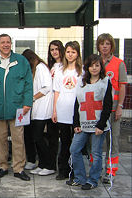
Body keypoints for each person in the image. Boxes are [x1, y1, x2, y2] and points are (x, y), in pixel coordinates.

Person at [0, 34, 32, 181]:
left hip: (18, 108)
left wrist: (27, 102)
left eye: (8, 42)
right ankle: (3, 166)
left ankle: (18, 168)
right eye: (2, 42)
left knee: (18, 139)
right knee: (0, 139)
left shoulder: (21, 61)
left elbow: (29, 83)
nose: (5, 45)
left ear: (11, 44)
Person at [68, 54, 112, 190]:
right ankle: (80, 178)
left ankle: (92, 180)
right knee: (74, 149)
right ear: (87, 67)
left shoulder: (105, 82)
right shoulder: (81, 82)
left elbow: (108, 105)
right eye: (91, 65)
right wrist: (76, 124)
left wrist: (101, 124)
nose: (94, 68)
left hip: (98, 126)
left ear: (101, 67)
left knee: (96, 153)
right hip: (83, 124)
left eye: (97, 65)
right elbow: (77, 104)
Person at [96, 33, 128, 183]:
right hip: (97, 109)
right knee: (95, 140)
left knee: (112, 140)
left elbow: (122, 87)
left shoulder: (118, 63)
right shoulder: (95, 62)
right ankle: (95, 168)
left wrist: (120, 106)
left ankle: (110, 171)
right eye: (102, 43)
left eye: (107, 44)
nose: (104, 46)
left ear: (111, 46)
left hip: (114, 108)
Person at [52, 41, 83, 180]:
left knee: (76, 144)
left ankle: (75, 171)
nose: (70, 55)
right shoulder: (59, 71)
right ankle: (63, 170)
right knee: (64, 142)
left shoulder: (82, 71)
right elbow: (56, 92)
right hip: (63, 110)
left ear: (77, 54)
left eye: (73, 52)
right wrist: (54, 111)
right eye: (68, 52)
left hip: (77, 112)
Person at [21, 49, 55, 176]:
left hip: (42, 108)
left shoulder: (40, 67)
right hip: (36, 108)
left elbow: (46, 88)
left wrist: (33, 98)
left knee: (38, 137)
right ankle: (42, 164)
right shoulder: (35, 68)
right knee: (36, 137)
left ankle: (49, 165)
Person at [46, 40, 65, 174]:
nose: (54, 52)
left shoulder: (65, 66)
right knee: (52, 138)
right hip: (50, 106)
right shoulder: (50, 66)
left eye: (57, 49)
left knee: (64, 139)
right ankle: (51, 166)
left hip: (62, 106)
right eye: (52, 49)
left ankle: (64, 167)